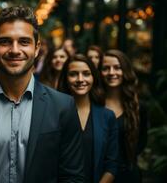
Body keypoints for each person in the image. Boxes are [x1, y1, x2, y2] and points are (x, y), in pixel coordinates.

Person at [0, 5, 84, 183]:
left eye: (24, 42)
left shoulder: (63, 106)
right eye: (5, 42)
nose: (15, 50)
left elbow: (72, 177)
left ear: (37, 48)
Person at [58, 54, 118, 183]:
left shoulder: (107, 116)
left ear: (93, 77)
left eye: (86, 73)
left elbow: (112, 165)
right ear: (65, 79)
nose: (80, 79)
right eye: (73, 74)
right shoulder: (54, 114)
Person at [100, 49, 148, 183]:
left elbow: (141, 142)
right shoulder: (94, 104)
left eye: (117, 68)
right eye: (106, 68)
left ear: (125, 71)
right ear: (100, 72)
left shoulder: (138, 106)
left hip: (128, 175)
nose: (111, 72)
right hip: (98, 175)